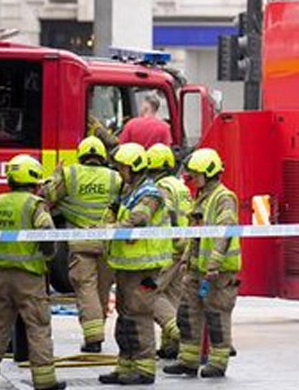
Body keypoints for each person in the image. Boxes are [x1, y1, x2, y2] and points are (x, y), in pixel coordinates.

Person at [0, 154, 65, 390]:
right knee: (38, 327)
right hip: (30, 279)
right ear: (34, 180)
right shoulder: (35, 205)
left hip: (1, 277)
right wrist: (47, 257)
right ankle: (45, 382)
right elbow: (47, 234)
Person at [163, 148, 241, 378]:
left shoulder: (224, 197)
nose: (192, 178)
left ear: (208, 173)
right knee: (188, 314)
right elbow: (196, 234)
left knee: (217, 316)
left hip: (218, 272)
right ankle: (188, 361)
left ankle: (217, 364)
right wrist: (186, 259)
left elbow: (225, 230)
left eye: (196, 175)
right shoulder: (202, 197)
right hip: (197, 269)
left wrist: (215, 262)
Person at [41, 136, 123, 353]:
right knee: (102, 289)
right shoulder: (115, 177)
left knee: (86, 288)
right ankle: (97, 331)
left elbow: (47, 196)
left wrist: (55, 176)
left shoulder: (70, 174)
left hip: (81, 243)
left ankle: (93, 337)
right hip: (108, 243)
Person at [101, 143, 174, 386]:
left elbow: (139, 218)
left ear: (134, 168)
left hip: (143, 267)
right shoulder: (128, 191)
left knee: (139, 316)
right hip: (126, 266)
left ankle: (144, 369)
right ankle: (125, 366)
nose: (119, 172)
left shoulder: (149, 194)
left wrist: (111, 229)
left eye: (122, 168)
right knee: (125, 317)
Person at [146, 142, 193, 360]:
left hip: (168, 247)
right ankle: (170, 347)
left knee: (149, 294)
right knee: (173, 296)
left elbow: (168, 213)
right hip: (183, 246)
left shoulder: (161, 187)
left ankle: (180, 334)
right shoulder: (180, 185)